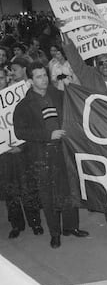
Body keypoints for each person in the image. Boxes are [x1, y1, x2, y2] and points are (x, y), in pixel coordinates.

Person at [13, 62, 89, 248]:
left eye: (45, 75)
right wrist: (48, 135)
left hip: (63, 150)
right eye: (38, 77)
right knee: (48, 196)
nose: (44, 79)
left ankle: (71, 227)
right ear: (30, 80)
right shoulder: (24, 105)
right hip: (41, 155)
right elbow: (20, 132)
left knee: (69, 189)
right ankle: (55, 233)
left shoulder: (60, 95)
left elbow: (74, 113)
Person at [62, 34, 107, 233]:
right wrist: (65, 36)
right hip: (101, 139)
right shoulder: (89, 77)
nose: (105, 65)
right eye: (101, 63)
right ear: (96, 65)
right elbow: (76, 61)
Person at [0, 67, 43, 239]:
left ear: (7, 78)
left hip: (22, 152)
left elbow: (31, 124)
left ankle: (35, 222)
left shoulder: (19, 98)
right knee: (10, 191)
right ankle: (16, 224)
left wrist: (21, 146)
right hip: (3, 157)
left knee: (28, 188)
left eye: (1, 78)